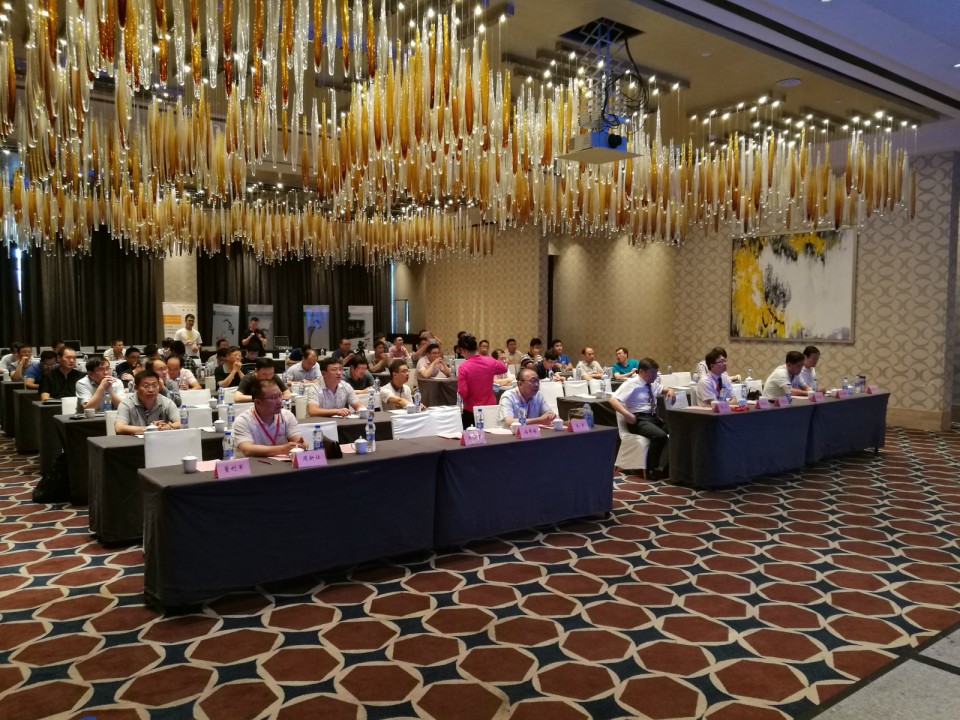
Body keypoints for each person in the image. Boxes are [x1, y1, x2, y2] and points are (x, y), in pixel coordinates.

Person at [609, 358, 676, 480]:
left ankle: (667, 467)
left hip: (653, 418)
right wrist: (627, 414)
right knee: (659, 436)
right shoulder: (631, 383)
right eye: (652, 373)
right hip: (638, 420)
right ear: (641, 372)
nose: (655, 376)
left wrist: (671, 390)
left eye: (656, 372)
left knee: (676, 428)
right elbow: (613, 400)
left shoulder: (651, 383)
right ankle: (651, 469)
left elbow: (665, 389)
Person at [232, 379, 306, 457]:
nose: (279, 401)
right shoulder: (243, 420)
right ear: (257, 402)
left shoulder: (287, 415)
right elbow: (247, 450)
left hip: (279, 463)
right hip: (251, 464)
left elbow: (298, 440)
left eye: (280, 395)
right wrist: (282, 449)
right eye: (273, 398)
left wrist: (301, 445)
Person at [457, 334, 508, 426]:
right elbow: (504, 369)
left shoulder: (463, 367)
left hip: (471, 410)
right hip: (490, 407)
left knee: (471, 434)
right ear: (477, 347)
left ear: (462, 350)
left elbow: (463, 391)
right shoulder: (490, 361)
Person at [114, 370, 181, 435]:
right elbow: (119, 428)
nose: (151, 390)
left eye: (155, 386)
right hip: (133, 442)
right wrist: (150, 429)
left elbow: (179, 423)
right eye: (146, 386)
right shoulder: (126, 403)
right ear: (136, 388)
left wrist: (168, 427)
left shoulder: (167, 402)